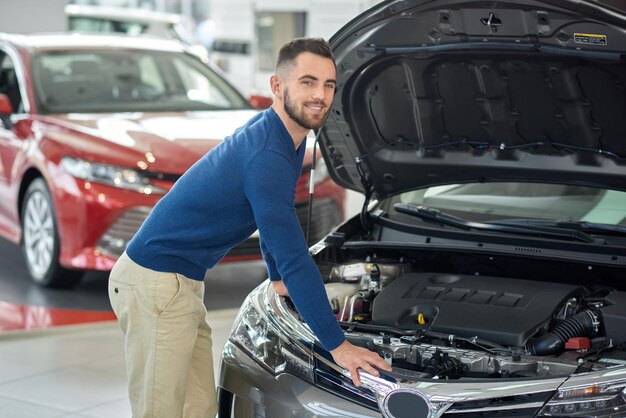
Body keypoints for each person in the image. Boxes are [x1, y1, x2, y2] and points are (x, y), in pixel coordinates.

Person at [108, 37, 392, 418]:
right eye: (308, 82)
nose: (320, 95)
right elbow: (292, 254)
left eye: (328, 85)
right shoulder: (268, 155)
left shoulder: (281, 136)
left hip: (179, 283)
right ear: (277, 86)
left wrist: (277, 279)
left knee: (199, 408)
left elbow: (271, 222)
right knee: (159, 411)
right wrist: (338, 345)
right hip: (154, 284)